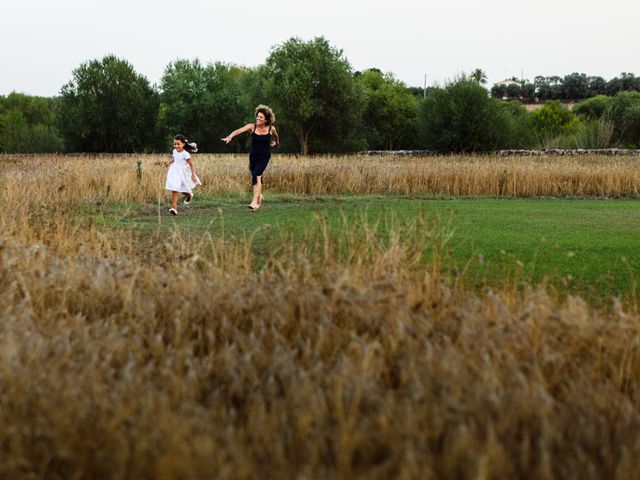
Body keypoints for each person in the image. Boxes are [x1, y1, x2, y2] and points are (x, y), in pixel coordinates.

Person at [222, 105, 279, 210]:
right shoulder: (252, 127)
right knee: (255, 176)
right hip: (253, 156)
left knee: (257, 174)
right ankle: (259, 196)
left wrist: (276, 142)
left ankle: (254, 201)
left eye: (261, 117)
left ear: (266, 119)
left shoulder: (271, 128)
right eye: (257, 116)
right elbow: (239, 131)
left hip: (264, 156)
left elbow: (276, 136)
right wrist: (230, 136)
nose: (258, 118)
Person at [165, 134, 201, 216]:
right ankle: (174, 208)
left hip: (183, 172)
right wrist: (169, 163)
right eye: (175, 144)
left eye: (178, 144)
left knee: (183, 189)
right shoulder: (174, 151)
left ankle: (189, 195)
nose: (176, 146)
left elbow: (192, 165)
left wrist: (193, 175)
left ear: (183, 144)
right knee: (174, 189)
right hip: (174, 171)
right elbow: (174, 159)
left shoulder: (186, 154)